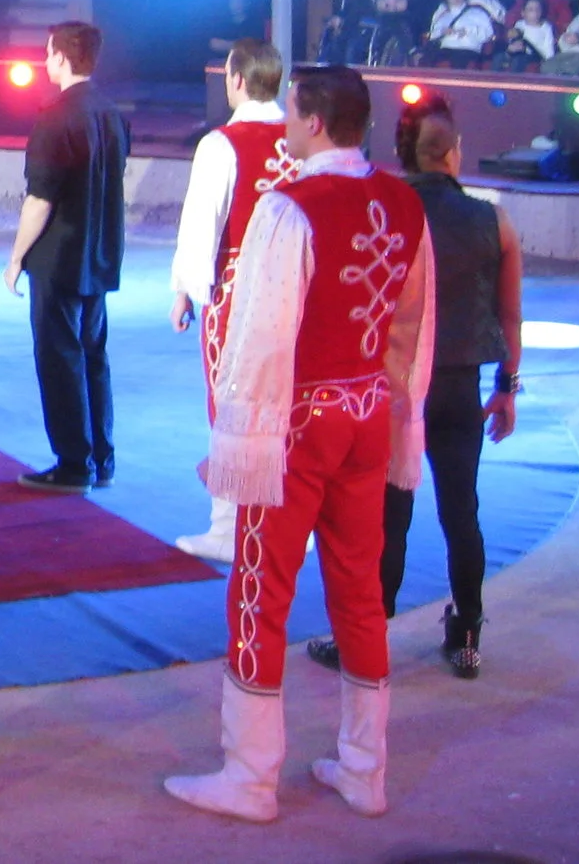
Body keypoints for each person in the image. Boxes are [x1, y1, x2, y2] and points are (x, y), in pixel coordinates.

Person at [163, 65, 434, 825]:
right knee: (358, 588)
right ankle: (363, 768)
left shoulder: (291, 208)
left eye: (292, 112)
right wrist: (393, 408)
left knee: (261, 587)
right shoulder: (404, 201)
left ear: (313, 120)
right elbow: (410, 330)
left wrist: (242, 438)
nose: (284, 122)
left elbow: (260, 338)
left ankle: (250, 775)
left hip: (299, 422)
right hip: (366, 411)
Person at [306, 95, 520, 682]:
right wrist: (507, 387)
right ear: (452, 153)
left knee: (386, 515)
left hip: (396, 388)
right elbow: (510, 317)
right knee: (462, 511)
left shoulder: (389, 210)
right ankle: (468, 634)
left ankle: (367, 637)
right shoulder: (493, 220)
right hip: (460, 387)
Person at [166, 37, 292, 563]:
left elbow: (203, 224)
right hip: (295, 290)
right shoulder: (302, 137)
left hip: (239, 291)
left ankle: (228, 526)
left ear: (236, 79)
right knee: (285, 404)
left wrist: (186, 290)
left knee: (232, 404)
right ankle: (288, 520)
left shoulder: (222, 143)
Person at [6, 21, 128, 493]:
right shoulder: (111, 111)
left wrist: (16, 256)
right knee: (93, 354)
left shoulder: (55, 116)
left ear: (58, 56)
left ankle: (73, 463)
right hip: (100, 252)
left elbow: (41, 198)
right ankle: (101, 455)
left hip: (59, 255)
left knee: (59, 357)